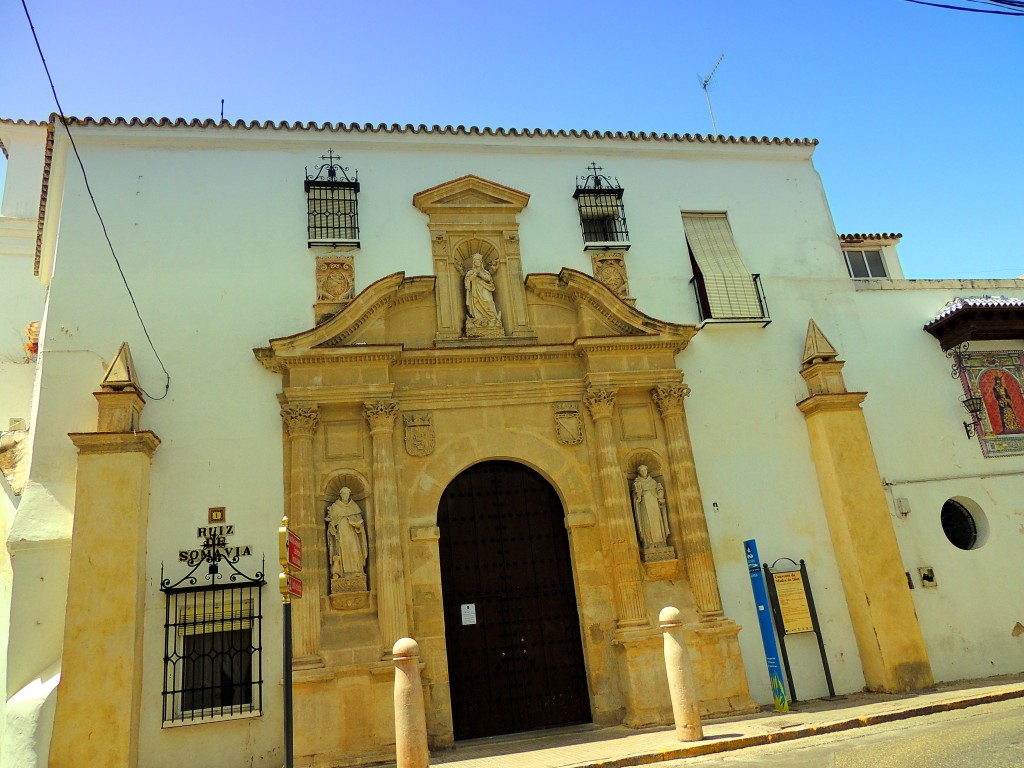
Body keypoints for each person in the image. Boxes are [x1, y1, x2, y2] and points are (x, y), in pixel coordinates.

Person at [326, 487, 367, 578]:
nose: (345, 496)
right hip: (342, 535)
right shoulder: (335, 507)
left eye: (347, 494)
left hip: (353, 535)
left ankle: (357, 570)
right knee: (343, 552)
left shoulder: (354, 506)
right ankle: (343, 573)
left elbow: (360, 524)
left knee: (355, 550)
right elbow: (331, 525)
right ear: (340, 495)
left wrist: (358, 526)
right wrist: (332, 528)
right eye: (343, 494)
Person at [632, 465, 669, 549]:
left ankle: (661, 542)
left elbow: (659, 491)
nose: (643, 472)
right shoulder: (637, 482)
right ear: (639, 472)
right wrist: (638, 496)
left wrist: (660, 494)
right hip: (644, 506)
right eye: (641, 471)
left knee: (657, 523)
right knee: (647, 523)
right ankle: (648, 542)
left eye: (644, 470)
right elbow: (636, 497)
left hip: (654, 506)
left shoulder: (653, 482)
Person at [464, 254, 501, 327]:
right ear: (474, 263)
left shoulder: (485, 272)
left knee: (488, 301)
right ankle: (479, 319)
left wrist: (480, 274)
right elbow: (467, 282)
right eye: (476, 262)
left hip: (485, 289)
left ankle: (492, 318)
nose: (477, 263)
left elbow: (488, 279)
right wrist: (473, 275)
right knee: (476, 304)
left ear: (481, 263)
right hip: (475, 291)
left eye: (479, 262)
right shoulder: (470, 272)